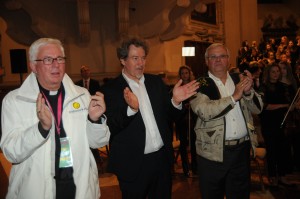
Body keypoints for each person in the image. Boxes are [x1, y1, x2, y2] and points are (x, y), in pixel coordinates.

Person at [0, 38, 110, 199]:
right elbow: (11, 153)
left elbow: (98, 142)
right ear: (33, 66)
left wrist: (95, 121)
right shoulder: (15, 100)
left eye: (60, 59)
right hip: (36, 190)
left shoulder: (82, 95)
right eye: (47, 59)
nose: (56, 64)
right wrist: (41, 129)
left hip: (79, 187)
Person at [100, 37, 199, 199]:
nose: (141, 63)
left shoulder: (155, 83)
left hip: (161, 160)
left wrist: (175, 101)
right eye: (135, 58)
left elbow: (169, 116)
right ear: (123, 60)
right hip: (133, 164)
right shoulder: (110, 89)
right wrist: (131, 110)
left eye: (143, 58)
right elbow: (110, 126)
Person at [190, 43, 263, 199]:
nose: (218, 60)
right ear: (206, 61)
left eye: (222, 56)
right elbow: (204, 111)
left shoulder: (239, 79)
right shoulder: (200, 83)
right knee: (212, 195)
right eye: (213, 57)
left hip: (241, 150)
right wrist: (233, 97)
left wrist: (249, 93)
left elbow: (258, 109)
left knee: (240, 194)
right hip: (213, 153)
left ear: (229, 60)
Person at [260, 63, 294, 186]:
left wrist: (292, 106)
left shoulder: (283, 87)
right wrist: (284, 106)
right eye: (273, 72)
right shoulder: (263, 87)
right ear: (268, 73)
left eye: (277, 71)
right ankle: (273, 177)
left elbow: (289, 103)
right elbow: (265, 107)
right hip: (269, 123)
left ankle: (282, 176)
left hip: (282, 122)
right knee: (272, 150)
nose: (276, 74)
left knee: (283, 150)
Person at [75, 65, 103, 166]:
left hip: (93, 110)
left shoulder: (95, 83)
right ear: (81, 73)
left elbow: (98, 95)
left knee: (93, 135)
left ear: (89, 72)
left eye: (87, 70)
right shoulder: (77, 84)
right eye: (83, 71)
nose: (85, 72)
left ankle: (96, 158)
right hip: (81, 112)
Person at [175, 65, 197, 177]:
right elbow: (175, 105)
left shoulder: (194, 86)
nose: (184, 75)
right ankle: (185, 168)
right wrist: (184, 106)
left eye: (186, 73)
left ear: (189, 74)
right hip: (182, 120)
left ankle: (195, 168)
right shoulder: (177, 88)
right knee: (183, 144)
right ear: (180, 75)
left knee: (194, 144)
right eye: (182, 73)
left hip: (193, 119)